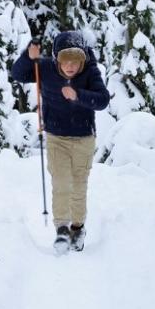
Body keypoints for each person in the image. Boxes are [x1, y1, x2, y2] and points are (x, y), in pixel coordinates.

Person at [11, 32, 110, 253]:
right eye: (66, 60)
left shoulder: (90, 72)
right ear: (57, 58)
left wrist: (78, 95)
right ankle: (62, 229)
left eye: (76, 60)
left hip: (84, 137)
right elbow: (18, 73)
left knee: (78, 184)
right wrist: (28, 55)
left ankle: (78, 228)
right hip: (56, 137)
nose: (71, 66)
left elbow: (103, 100)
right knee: (61, 182)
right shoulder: (45, 68)